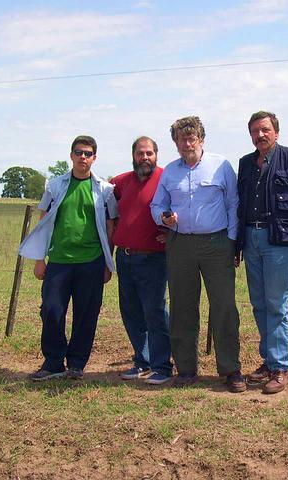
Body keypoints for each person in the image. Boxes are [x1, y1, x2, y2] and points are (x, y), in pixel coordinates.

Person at [150, 116, 245, 393]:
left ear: (201, 139)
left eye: (191, 138)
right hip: (180, 244)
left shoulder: (221, 166)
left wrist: (230, 242)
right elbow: (157, 205)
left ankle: (230, 369)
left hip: (217, 244)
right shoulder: (169, 171)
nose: (186, 143)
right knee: (182, 307)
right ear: (175, 143)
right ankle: (186, 369)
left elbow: (233, 204)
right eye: (181, 139)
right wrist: (164, 218)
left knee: (224, 306)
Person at [19, 135, 117, 381]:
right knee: (52, 310)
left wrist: (108, 262)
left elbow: (110, 226)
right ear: (71, 155)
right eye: (78, 152)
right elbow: (43, 222)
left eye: (88, 153)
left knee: (87, 313)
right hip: (59, 260)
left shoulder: (105, 190)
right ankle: (53, 362)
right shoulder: (55, 185)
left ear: (94, 158)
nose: (83, 157)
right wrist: (40, 259)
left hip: (92, 261)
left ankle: (76, 364)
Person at [236, 111, 288, 394]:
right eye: (255, 131)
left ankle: (280, 367)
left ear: (276, 132)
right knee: (259, 303)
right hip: (251, 238)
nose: (260, 135)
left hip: (278, 242)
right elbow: (240, 206)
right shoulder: (246, 164)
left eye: (265, 130)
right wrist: (237, 245)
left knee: (277, 305)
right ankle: (269, 361)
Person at [111, 136, 173, 385]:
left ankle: (162, 366)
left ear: (156, 155)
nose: (144, 157)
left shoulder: (166, 178)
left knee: (155, 312)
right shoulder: (121, 182)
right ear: (133, 155)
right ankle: (142, 360)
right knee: (131, 312)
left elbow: (184, 206)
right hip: (125, 258)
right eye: (140, 153)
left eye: (149, 153)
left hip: (154, 259)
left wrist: (172, 232)